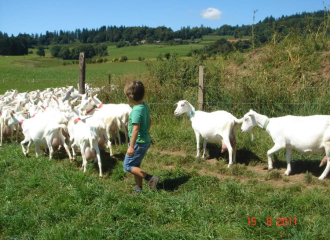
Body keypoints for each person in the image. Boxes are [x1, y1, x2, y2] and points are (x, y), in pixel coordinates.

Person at [123, 81, 159, 193]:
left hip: (138, 143)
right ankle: (138, 189)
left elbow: (136, 129)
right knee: (136, 165)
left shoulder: (135, 111)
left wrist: (131, 146)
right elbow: (149, 121)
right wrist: (146, 132)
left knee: (128, 165)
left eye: (126, 95)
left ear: (131, 96)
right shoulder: (144, 106)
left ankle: (151, 178)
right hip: (145, 140)